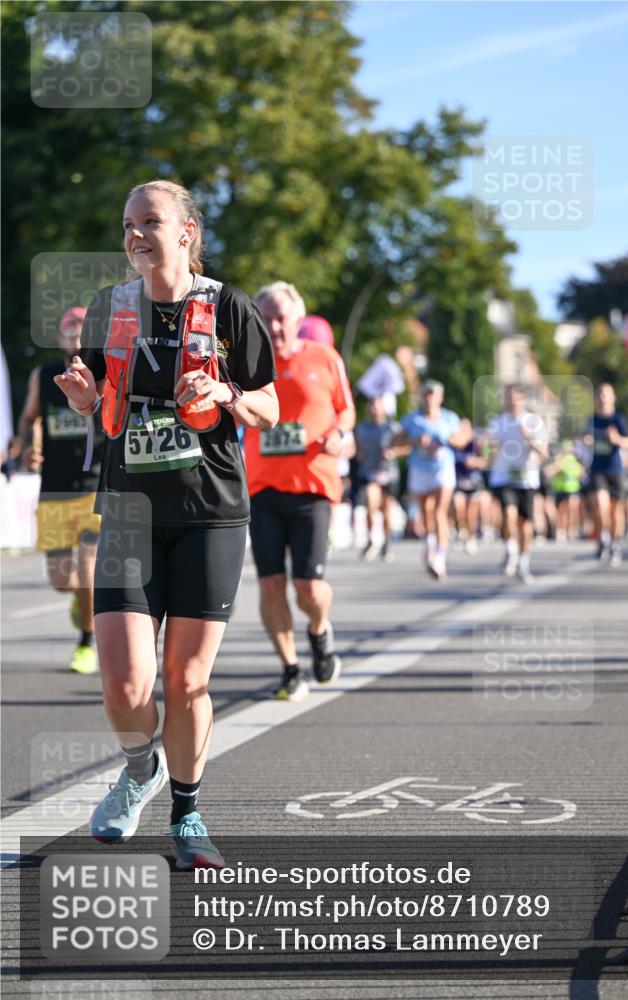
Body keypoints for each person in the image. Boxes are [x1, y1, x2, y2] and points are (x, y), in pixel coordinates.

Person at [54, 179, 278, 868]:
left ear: (186, 231)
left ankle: (186, 812)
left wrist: (226, 392)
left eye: (150, 221)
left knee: (185, 681)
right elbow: (96, 399)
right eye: (127, 224)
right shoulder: (109, 309)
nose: (135, 235)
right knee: (125, 687)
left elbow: (271, 405)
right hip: (128, 511)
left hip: (209, 513)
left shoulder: (228, 307)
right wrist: (86, 399)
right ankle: (138, 768)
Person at [245, 281, 355, 702]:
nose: (274, 326)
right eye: (266, 317)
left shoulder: (324, 358)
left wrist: (338, 434)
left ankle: (319, 629)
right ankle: (290, 668)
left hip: (313, 484)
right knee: (271, 585)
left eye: (282, 317)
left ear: (298, 319)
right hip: (262, 485)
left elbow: (345, 410)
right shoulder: (248, 363)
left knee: (308, 588)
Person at [18, 306, 104, 674]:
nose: (74, 332)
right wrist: (27, 447)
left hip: (94, 486)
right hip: (54, 489)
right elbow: (29, 418)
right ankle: (81, 604)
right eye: (68, 327)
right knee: (61, 579)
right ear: (59, 336)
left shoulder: (105, 372)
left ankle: (86, 642)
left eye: (81, 326)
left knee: (88, 570)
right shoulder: (44, 375)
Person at [395, 379, 470, 579]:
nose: (429, 398)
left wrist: (451, 440)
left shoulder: (448, 418)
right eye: (426, 394)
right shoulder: (412, 419)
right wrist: (415, 441)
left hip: (442, 469)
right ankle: (430, 543)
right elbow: (397, 441)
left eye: (433, 395)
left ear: (440, 398)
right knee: (426, 513)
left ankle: (440, 556)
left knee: (439, 512)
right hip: (420, 469)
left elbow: (461, 440)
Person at [488, 384, 549, 583]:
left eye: (516, 398)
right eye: (508, 398)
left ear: (523, 399)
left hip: (526, 479)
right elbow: (487, 451)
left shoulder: (534, 422)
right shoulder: (497, 423)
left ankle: (524, 562)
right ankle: (511, 549)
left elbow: (544, 453)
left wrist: (528, 437)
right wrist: (490, 449)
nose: (512, 402)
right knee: (508, 515)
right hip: (503, 477)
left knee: (525, 525)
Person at [583, 383, 628, 566]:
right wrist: (586, 441)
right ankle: (603, 537)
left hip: (615, 469)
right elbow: (582, 440)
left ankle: (615, 543)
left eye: (606, 394)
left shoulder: (618, 419)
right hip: (597, 469)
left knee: (616, 511)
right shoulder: (592, 420)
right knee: (599, 503)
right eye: (599, 394)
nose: (603, 397)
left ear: (613, 397)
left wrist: (617, 439)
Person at [355, 395, 405, 561]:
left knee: (386, 510)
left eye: (377, 406)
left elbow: (405, 447)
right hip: (369, 472)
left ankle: (387, 543)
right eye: (372, 406)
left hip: (389, 473)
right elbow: (357, 450)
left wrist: (393, 452)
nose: (374, 409)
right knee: (370, 502)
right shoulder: (362, 428)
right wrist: (359, 455)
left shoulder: (393, 427)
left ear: (384, 408)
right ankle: (370, 540)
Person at [452, 419, 487, 554]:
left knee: (471, 512)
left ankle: (471, 538)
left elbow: (486, 461)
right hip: (458, 481)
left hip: (473, 481)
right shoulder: (453, 443)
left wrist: (475, 462)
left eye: (465, 429)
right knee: (458, 506)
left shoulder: (475, 444)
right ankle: (461, 531)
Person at [547, 439, 585, 542]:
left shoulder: (576, 460)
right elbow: (549, 472)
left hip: (573, 489)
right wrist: (558, 470)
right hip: (560, 489)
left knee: (572, 510)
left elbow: (582, 474)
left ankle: (571, 531)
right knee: (562, 512)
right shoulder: (560, 460)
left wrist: (578, 474)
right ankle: (561, 530)